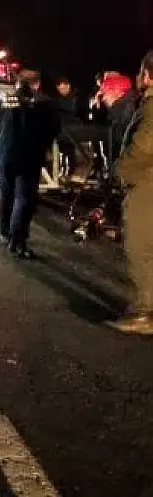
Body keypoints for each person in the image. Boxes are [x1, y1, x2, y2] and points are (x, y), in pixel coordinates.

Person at [0, 73, 62, 258]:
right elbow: (55, 130)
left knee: (5, 194)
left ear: (16, 84)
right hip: (29, 158)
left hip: (1, 157)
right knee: (23, 199)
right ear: (37, 84)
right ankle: (17, 241)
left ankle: (4, 233)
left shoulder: (0, 100)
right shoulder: (44, 103)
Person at [110, 51, 153, 334]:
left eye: (141, 71)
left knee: (140, 247)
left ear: (149, 75)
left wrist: (118, 171)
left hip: (147, 183)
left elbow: (144, 147)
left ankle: (145, 313)